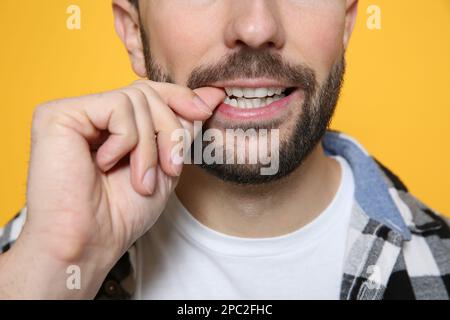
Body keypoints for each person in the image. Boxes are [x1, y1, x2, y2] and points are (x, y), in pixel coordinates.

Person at [0, 0, 449, 300]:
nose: (255, 28)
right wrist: (56, 267)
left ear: (347, 21)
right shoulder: (30, 262)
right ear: (135, 32)